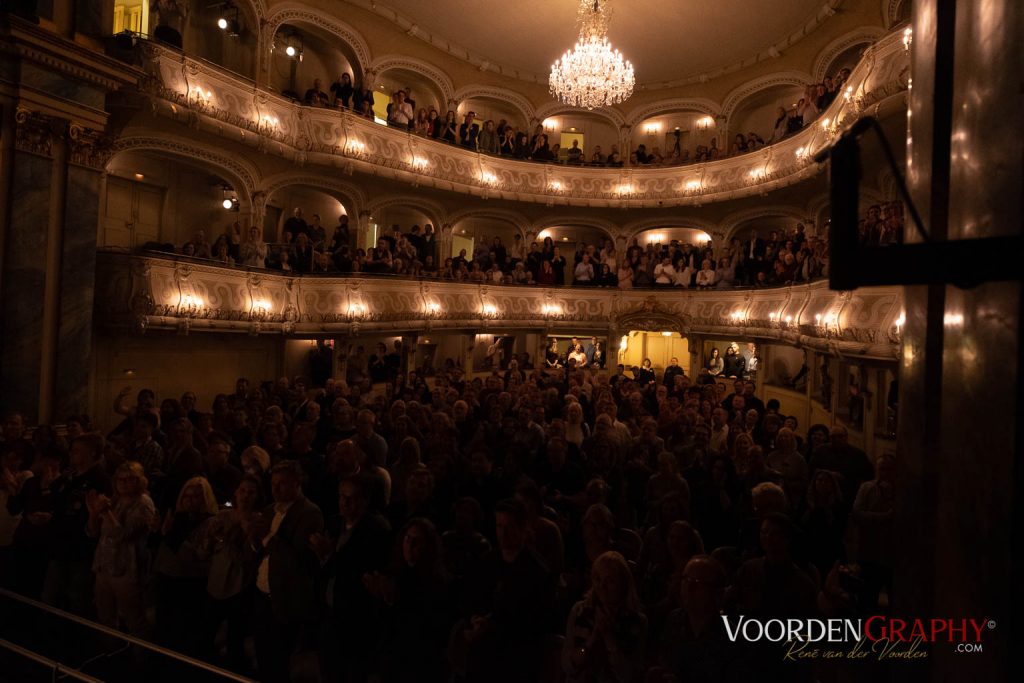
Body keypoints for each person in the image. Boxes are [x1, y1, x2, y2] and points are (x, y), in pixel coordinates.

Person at [251, 460, 324, 683]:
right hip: (262, 594)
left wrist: (267, 536)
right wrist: (253, 539)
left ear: (297, 483)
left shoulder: (309, 514)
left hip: (285, 600)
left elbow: (298, 561)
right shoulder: (268, 510)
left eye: (282, 484)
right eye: (273, 483)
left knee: (278, 660)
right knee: (262, 654)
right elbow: (259, 550)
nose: (276, 489)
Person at [87, 461, 156, 638]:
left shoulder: (143, 503)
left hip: (126, 568)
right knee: (105, 616)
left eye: (129, 479)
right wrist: (94, 513)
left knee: (135, 619)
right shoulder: (115, 500)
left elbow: (122, 535)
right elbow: (93, 532)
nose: (124, 483)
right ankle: (110, 653)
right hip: (104, 564)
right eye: (120, 479)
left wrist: (107, 512)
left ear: (139, 481)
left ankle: (140, 659)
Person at [563, 551, 648, 683]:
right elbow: (568, 665)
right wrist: (591, 641)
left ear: (623, 583)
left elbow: (630, 676)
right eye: (598, 579)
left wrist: (609, 638)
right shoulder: (579, 611)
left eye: (610, 581)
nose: (602, 587)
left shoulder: (637, 621)